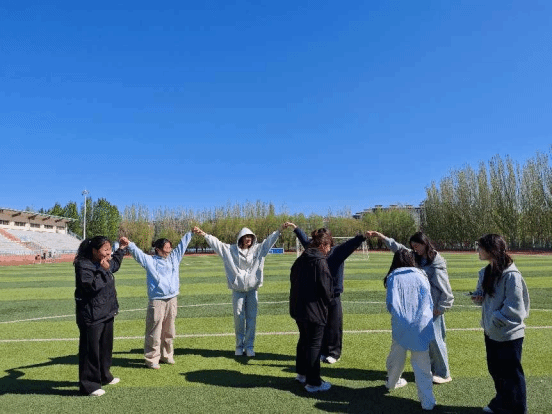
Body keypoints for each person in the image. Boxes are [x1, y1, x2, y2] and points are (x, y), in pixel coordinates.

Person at [367, 230, 454, 384]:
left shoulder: (436, 262)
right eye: (413, 246)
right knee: (428, 340)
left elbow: (445, 288)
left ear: (424, 243)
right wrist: (381, 237)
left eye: (417, 246)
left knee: (436, 340)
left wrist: (442, 306)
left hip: (434, 307)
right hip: (422, 307)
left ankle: (444, 373)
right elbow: (399, 248)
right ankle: (434, 369)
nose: (415, 249)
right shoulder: (416, 256)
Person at [192, 224, 288, 356]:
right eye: (246, 236)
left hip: (252, 290)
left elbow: (268, 242)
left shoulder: (258, 249)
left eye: (250, 236)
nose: (248, 239)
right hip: (238, 290)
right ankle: (239, 346)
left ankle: (249, 347)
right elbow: (217, 244)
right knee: (238, 318)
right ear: (241, 238)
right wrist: (204, 234)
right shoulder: (230, 250)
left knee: (251, 319)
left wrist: (279, 230)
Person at [287, 222, 368, 364]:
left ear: (329, 241)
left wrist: (362, 237)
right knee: (320, 324)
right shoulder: (315, 249)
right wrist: (296, 228)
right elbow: (304, 240)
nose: (321, 245)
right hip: (318, 296)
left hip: (333, 294)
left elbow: (350, 244)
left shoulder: (337, 251)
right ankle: (323, 351)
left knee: (334, 325)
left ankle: (334, 353)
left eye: (324, 242)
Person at [471, 234, 529, 414]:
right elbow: (484, 297)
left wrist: (496, 318)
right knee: (496, 372)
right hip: (491, 331)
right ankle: (502, 403)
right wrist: (478, 297)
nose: (478, 251)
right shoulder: (486, 271)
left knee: (512, 375)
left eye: (480, 247)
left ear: (491, 250)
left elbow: (515, 307)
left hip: (508, 334)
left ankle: (518, 409)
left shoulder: (511, 275)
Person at [122, 232, 193, 369]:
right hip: (157, 300)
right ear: (158, 249)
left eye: (170, 247)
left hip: (172, 298)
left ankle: (167, 355)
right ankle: (152, 359)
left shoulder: (174, 258)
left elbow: (182, 246)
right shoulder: (150, 261)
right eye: (166, 248)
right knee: (154, 330)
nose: (169, 250)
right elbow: (138, 254)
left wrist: (190, 234)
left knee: (169, 330)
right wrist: (129, 244)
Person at [74, 235, 128, 397]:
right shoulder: (84, 264)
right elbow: (90, 286)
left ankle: (104, 375)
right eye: (105, 250)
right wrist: (103, 270)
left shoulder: (103, 262)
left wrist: (121, 249)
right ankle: (89, 385)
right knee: (90, 350)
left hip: (107, 311)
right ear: (94, 251)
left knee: (105, 347)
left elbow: (114, 265)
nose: (109, 253)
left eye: (110, 249)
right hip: (91, 314)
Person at [384, 249, 437, 411]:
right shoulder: (421, 275)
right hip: (421, 324)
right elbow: (428, 300)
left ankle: (391, 382)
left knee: (396, 357)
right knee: (422, 365)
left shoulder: (393, 277)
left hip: (401, 323)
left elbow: (391, 303)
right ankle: (427, 401)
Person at [289, 228, 333, 392]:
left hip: (299, 308)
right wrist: (328, 300)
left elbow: (292, 278)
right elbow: (326, 289)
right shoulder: (320, 261)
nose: (329, 250)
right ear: (323, 245)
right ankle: (313, 382)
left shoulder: (301, 259)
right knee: (314, 344)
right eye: (329, 246)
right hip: (314, 310)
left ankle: (301, 374)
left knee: (304, 340)